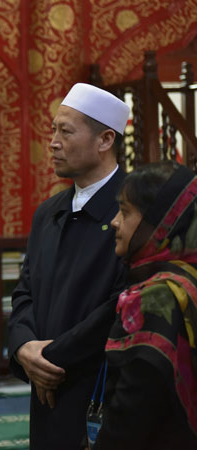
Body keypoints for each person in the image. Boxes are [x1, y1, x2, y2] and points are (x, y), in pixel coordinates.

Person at [7, 83, 130, 449]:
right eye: (53, 130)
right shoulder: (49, 212)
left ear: (105, 139)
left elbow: (120, 304)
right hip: (43, 384)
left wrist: (50, 360)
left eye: (66, 131)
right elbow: (25, 291)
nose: (54, 142)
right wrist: (24, 347)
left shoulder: (134, 210)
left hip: (100, 387)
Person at [93, 161, 197, 449]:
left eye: (125, 212)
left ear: (161, 223)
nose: (114, 221)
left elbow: (132, 412)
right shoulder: (188, 277)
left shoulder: (155, 297)